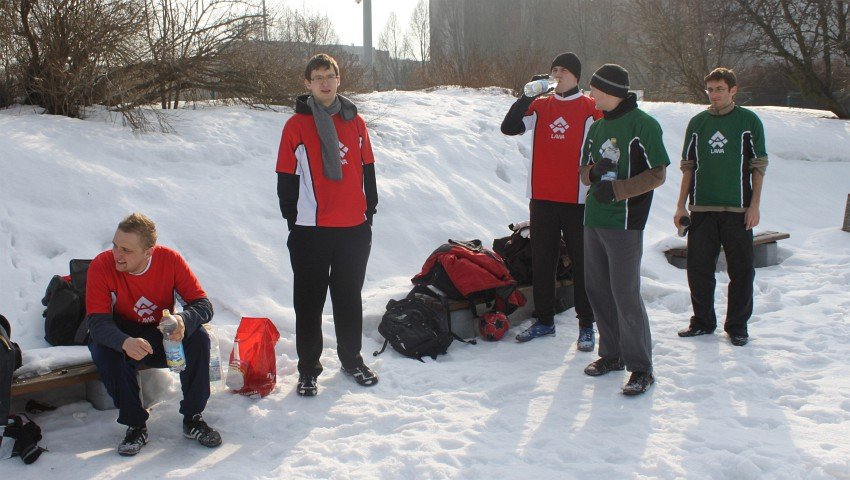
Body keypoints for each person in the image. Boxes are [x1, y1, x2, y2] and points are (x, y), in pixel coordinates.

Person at [276, 53, 379, 397]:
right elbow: (286, 177)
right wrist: (294, 221)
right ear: (307, 83)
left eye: (329, 76)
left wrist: (368, 213)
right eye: (317, 77)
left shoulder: (355, 121)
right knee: (309, 303)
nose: (324, 82)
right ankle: (308, 369)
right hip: (311, 231)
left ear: (338, 80)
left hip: (353, 230)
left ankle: (352, 360)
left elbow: (367, 168)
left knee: (348, 299)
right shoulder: (296, 125)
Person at [86, 213, 221, 456]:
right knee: (106, 351)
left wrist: (182, 321)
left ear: (148, 252)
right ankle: (135, 425)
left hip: (160, 331)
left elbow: (203, 305)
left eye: (126, 250)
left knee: (199, 338)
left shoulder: (169, 260)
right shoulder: (102, 265)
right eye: (115, 245)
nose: (117, 254)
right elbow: (97, 324)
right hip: (120, 331)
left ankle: (193, 417)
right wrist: (124, 341)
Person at [500, 52, 602, 350]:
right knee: (543, 260)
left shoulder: (590, 107)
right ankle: (544, 320)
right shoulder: (541, 105)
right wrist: (525, 96)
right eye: (554, 69)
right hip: (542, 196)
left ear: (576, 76)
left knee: (583, 262)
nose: (557, 75)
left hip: (577, 198)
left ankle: (586, 324)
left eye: (563, 70)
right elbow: (509, 127)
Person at [579, 64, 669, 395]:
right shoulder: (596, 127)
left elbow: (658, 173)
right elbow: (583, 172)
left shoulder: (643, 124)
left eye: (595, 89)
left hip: (626, 222)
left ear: (612, 91)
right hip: (593, 218)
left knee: (625, 293)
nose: (591, 94)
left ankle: (641, 367)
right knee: (598, 290)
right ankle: (612, 354)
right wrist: (593, 173)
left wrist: (617, 190)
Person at [674, 67, 767, 347]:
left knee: (742, 271)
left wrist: (754, 205)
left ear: (733, 90)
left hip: (738, 210)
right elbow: (688, 167)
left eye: (720, 89)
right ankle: (702, 322)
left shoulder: (748, 121)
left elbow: (758, 166)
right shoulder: (698, 123)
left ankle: (737, 326)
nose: (714, 95)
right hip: (701, 209)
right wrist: (681, 206)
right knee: (698, 269)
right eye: (711, 90)